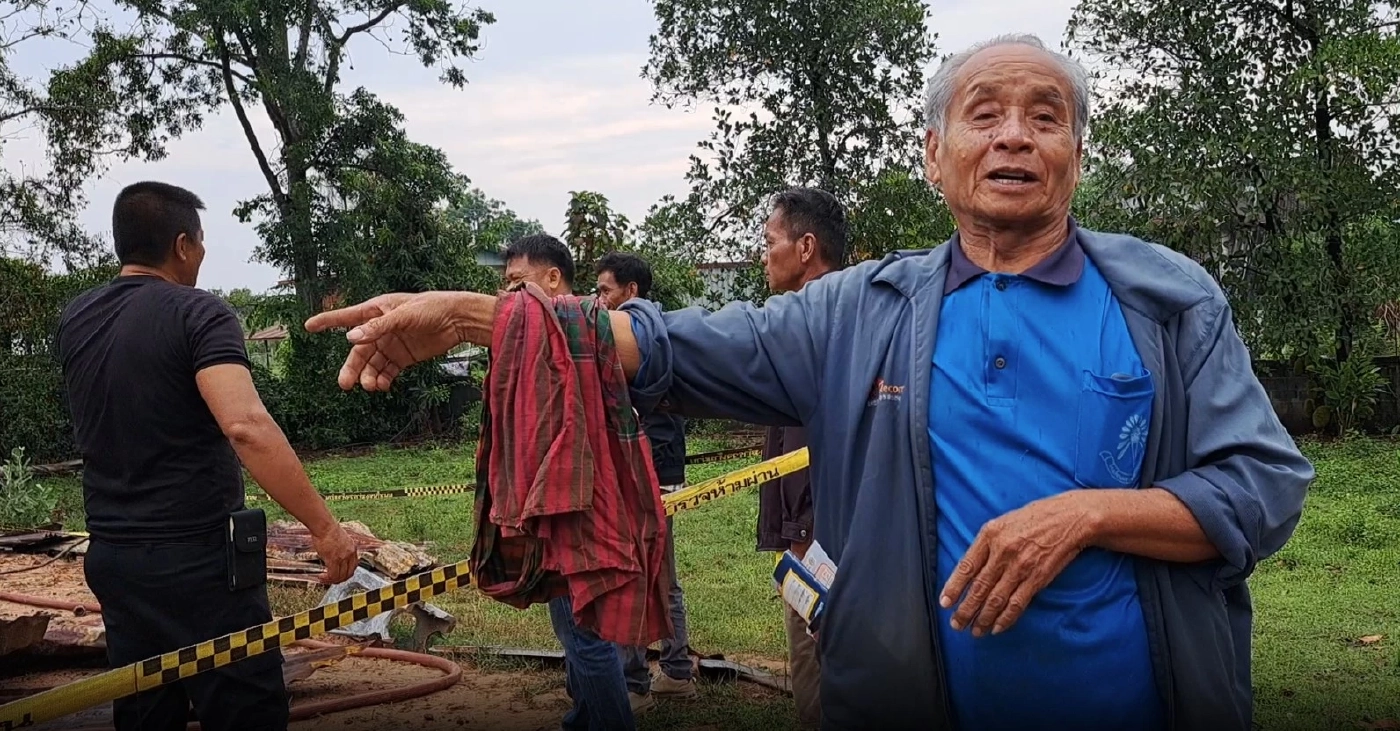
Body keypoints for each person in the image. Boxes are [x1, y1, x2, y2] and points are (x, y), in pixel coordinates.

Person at [305, 33, 1315, 731]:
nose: (1014, 134)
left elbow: (1260, 486)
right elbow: (666, 346)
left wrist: (1089, 513)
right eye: (985, 113)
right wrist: (479, 312)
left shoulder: (1164, 298)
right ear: (934, 155)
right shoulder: (855, 310)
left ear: (1073, 154)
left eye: (1044, 116)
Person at [57, 181, 358, 731]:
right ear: (181, 246)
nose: (201, 254)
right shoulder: (199, 313)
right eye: (200, 242)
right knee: (247, 711)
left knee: (148, 711)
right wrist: (324, 528)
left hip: (115, 559)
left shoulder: (77, 319)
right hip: (199, 563)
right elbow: (245, 426)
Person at [500, 234, 638, 731]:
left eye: (517, 282)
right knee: (575, 624)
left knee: (584, 631)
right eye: (505, 285)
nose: (508, 296)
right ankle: (584, 717)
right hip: (565, 503)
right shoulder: (550, 338)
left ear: (552, 278)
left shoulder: (574, 327)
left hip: (579, 506)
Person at [752, 187, 846, 730]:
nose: (763, 254)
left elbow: (811, 447)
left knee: (817, 673)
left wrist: (803, 540)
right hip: (817, 539)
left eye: (770, 242)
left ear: (806, 247)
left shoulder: (815, 328)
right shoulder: (831, 317)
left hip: (818, 548)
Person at [595, 251, 698, 709]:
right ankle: (674, 671)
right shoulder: (664, 335)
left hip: (646, 479)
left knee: (636, 578)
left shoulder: (633, 346)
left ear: (630, 292)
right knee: (661, 578)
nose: (599, 300)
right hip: (661, 474)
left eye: (605, 290)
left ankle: (637, 682)